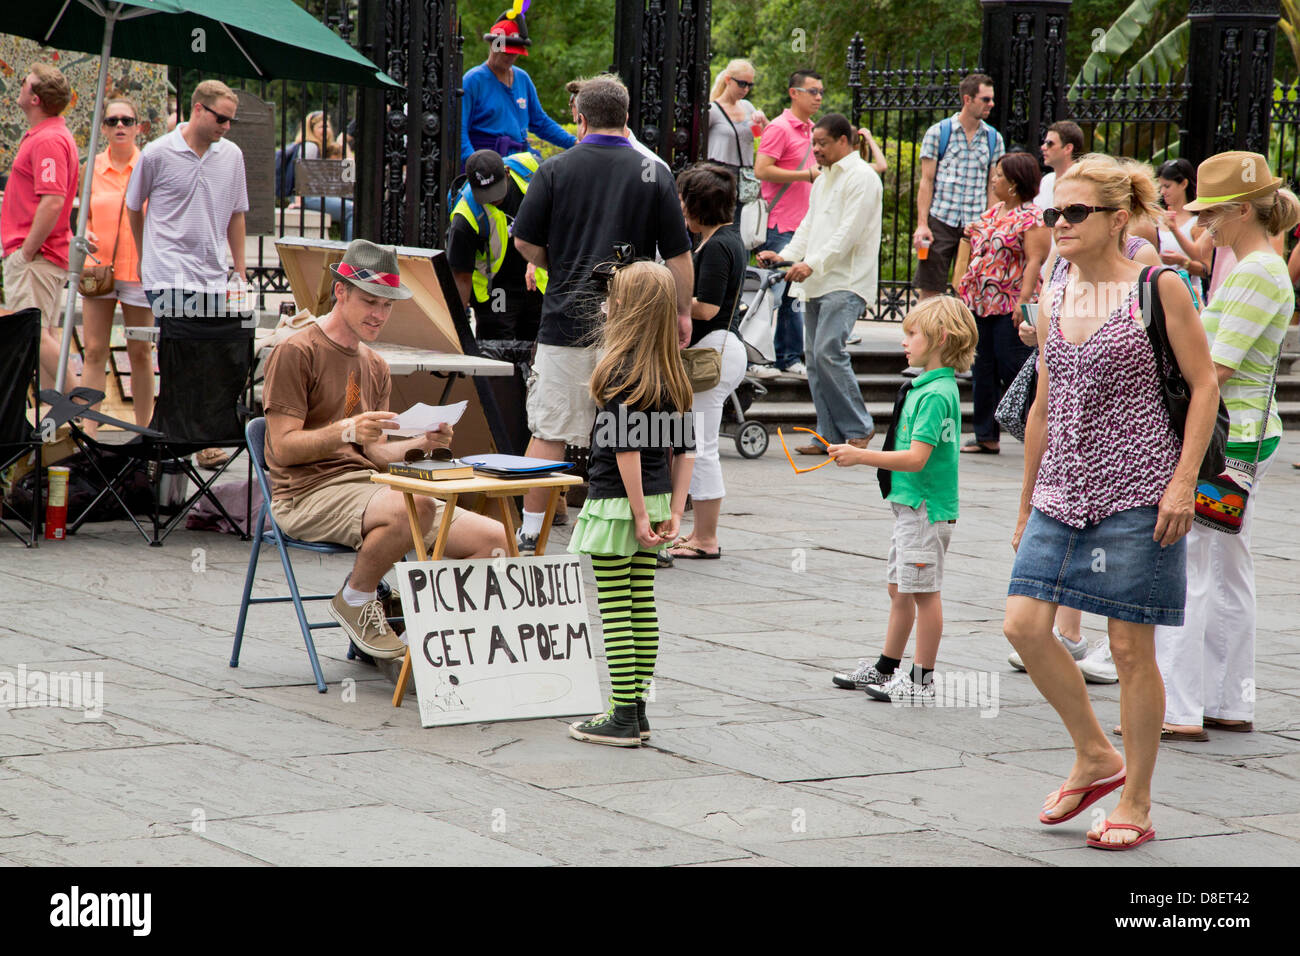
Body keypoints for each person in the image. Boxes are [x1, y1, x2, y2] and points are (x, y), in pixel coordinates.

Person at [1002, 155, 1220, 850]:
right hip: (1061, 490)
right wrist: (1025, 497)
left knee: (1130, 647)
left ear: (1117, 218)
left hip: (1139, 490)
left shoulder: (1161, 288)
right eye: (1052, 214)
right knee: (1024, 627)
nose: (1058, 225)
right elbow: (1042, 404)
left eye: (1074, 214)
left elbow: (1205, 385)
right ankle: (1096, 753)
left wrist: (1184, 482)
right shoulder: (1057, 287)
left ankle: (1137, 799)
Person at [262, 240, 507, 659]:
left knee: (498, 540)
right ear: (341, 292)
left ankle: (421, 626)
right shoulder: (296, 350)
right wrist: (344, 431)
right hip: (304, 493)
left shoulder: (374, 364)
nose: (378, 314)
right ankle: (356, 600)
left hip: (366, 485)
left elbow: (375, 453)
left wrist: (420, 443)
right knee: (414, 505)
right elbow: (283, 448)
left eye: (386, 305)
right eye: (369, 301)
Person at [512, 74, 693, 555]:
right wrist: (681, 313)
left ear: (580, 117)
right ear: (627, 116)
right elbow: (678, 256)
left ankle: (532, 531)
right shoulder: (654, 171)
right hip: (634, 325)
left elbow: (525, 242)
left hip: (567, 320)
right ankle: (655, 527)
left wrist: (561, 262)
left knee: (550, 429)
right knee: (644, 426)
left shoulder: (554, 169)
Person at [1150, 152, 1298, 740]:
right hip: (1241, 441)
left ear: (1240, 210)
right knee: (1227, 569)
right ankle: (1225, 700)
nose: (1201, 224)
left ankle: (1181, 706)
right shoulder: (1259, 266)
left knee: (1194, 566)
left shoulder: (1255, 271)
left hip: (1225, 444)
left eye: (1209, 213)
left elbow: (1218, 368)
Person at [566, 261, 694, 746]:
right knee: (642, 604)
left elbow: (625, 449)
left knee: (616, 607)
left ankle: (620, 714)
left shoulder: (619, 370)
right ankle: (635, 710)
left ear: (624, 307)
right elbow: (685, 453)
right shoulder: (673, 372)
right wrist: (674, 512)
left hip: (620, 503)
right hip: (657, 501)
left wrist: (639, 514)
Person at [826, 296, 978, 702]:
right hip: (911, 508)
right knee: (901, 589)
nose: (905, 341)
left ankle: (921, 680)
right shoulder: (927, 387)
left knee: (925, 595)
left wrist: (860, 455)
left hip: (925, 508)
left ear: (941, 338)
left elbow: (915, 458)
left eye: (912, 334)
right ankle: (885, 668)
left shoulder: (934, 394)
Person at [758, 112, 880, 452]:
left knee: (828, 351)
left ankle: (860, 427)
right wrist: (784, 256)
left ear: (844, 140)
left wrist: (810, 264)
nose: (816, 150)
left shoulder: (862, 178)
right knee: (814, 356)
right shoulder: (824, 178)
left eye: (822, 143)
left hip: (847, 279)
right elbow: (809, 227)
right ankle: (829, 434)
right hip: (818, 280)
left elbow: (848, 234)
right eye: (813, 143)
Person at [665, 164, 747, 561]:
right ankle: (698, 533)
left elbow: (708, 307)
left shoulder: (716, 245)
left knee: (701, 446)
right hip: (721, 348)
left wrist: (665, 297)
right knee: (696, 444)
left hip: (712, 351)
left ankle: (706, 538)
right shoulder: (726, 239)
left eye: (684, 201)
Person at [127, 79, 249, 322]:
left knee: (206, 355)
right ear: (199, 109)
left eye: (231, 121)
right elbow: (133, 205)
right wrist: (143, 257)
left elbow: (237, 213)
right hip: (167, 272)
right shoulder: (157, 153)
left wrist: (240, 271)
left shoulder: (232, 155)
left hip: (212, 276)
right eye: (221, 119)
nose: (226, 127)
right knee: (179, 351)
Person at [957, 151, 1050, 454]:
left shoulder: (1032, 216)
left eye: (998, 175)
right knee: (981, 364)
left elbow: (1035, 259)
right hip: (982, 302)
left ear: (1013, 183)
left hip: (1010, 303)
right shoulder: (994, 211)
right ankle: (985, 434)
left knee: (1013, 364)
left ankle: (1036, 427)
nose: (993, 180)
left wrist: (1022, 302)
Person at [1, 63, 79, 389]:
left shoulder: (47, 140)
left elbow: (52, 200)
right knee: (42, 335)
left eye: (24, 82)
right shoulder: (49, 136)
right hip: (41, 254)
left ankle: (78, 404)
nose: (18, 86)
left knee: (35, 333)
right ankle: (59, 427)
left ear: (35, 98)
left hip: (37, 254)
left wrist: (26, 250)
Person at [80, 97, 155, 433]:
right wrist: (84, 232)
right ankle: (88, 433)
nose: (120, 126)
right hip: (98, 269)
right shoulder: (91, 167)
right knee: (94, 350)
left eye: (127, 120)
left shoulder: (149, 165)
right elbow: (79, 216)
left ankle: (144, 431)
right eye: (113, 121)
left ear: (139, 127)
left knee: (140, 351)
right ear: (104, 128)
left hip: (139, 272)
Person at [752, 69, 825, 379]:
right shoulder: (780, 128)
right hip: (780, 223)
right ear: (794, 93)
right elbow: (761, 170)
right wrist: (805, 175)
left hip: (805, 225)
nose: (819, 97)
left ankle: (788, 356)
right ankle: (767, 356)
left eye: (821, 91)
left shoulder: (814, 131)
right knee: (778, 294)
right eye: (812, 91)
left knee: (796, 294)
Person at [913, 73, 1005, 300]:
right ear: (968, 99)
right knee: (930, 289)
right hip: (941, 220)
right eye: (985, 99)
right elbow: (926, 181)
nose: (991, 104)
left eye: (991, 99)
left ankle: (961, 335)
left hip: (975, 224)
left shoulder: (994, 138)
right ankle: (927, 334)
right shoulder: (939, 132)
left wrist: (989, 225)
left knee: (969, 291)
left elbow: (993, 186)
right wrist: (922, 225)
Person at [446, 148, 545, 342]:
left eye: (497, 191)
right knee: (498, 349)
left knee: (536, 346)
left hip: (535, 280)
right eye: (485, 194)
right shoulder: (464, 218)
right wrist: (455, 330)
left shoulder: (530, 168)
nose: (494, 199)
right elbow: (461, 277)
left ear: (507, 173)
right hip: (496, 288)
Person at [459, 9, 576, 164]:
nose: (511, 58)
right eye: (506, 52)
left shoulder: (522, 78)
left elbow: (540, 122)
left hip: (519, 160)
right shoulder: (473, 80)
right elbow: (459, 129)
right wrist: (473, 163)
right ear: (494, 46)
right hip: (486, 162)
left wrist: (573, 143)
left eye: (515, 53)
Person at [706, 59, 768, 232]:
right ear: (728, 80)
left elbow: (764, 137)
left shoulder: (748, 107)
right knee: (722, 225)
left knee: (744, 228)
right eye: (741, 84)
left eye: (750, 85)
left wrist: (763, 122)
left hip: (745, 177)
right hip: (720, 174)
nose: (746, 89)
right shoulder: (713, 110)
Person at [287, 111, 354, 242]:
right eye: (321, 127)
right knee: (352, 211)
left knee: (352, 207)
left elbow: (349, 173)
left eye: (327, 127)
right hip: (307, 197)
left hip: (317, 195)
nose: (325, 130)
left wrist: (345, 147)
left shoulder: (326, 148)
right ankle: (349, 256)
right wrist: (299, 202)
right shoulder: (311, 146)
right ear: (311, 130)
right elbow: (301, 174)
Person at [1034, 121, 1083, 210]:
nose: (1043, 147)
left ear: (1068, 148)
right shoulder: (1046, 181)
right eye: (1044, 143)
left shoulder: (1083, 183)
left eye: (1049, 143)